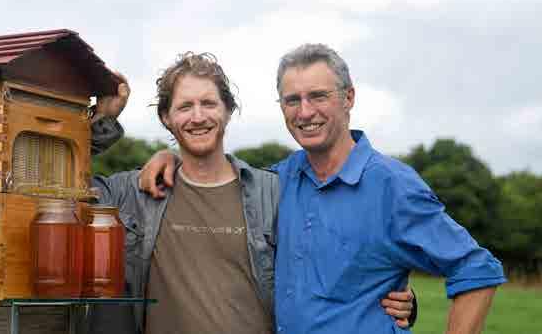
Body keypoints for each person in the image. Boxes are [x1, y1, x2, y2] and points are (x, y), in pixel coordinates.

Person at [139, 44, 506, 333]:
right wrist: (170, 156)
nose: (304, 112)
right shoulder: (278, 181)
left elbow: (477, 270)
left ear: (348, 98)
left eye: (318, 96)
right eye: (292, 100)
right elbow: (217, 176)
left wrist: (407, 305)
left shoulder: (392, 186)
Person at [86, 52, 415, 334]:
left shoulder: (273, 191)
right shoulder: (134, 193)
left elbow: (340, 256)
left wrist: (396, 296)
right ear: (166, 118)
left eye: (208, 103)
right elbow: (58, 186)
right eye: (185, 106)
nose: (197, 116)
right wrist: (104, 119)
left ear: (228, 111)